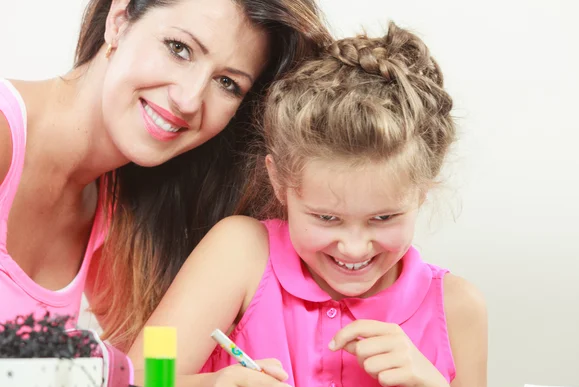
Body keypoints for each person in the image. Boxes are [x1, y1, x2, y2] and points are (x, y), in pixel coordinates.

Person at [127, 21, 488, 387]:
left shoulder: (456, 308)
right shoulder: (241, 254)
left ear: (422, 192)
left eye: (383, 218)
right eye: (327, 218)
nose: (353, 248)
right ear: (279, 182)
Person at [0, 0, 331, 351]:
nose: (189, 100)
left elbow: (148, 374)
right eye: (179, 49)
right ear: (120, 19)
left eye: (227, 83)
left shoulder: (117, 212)